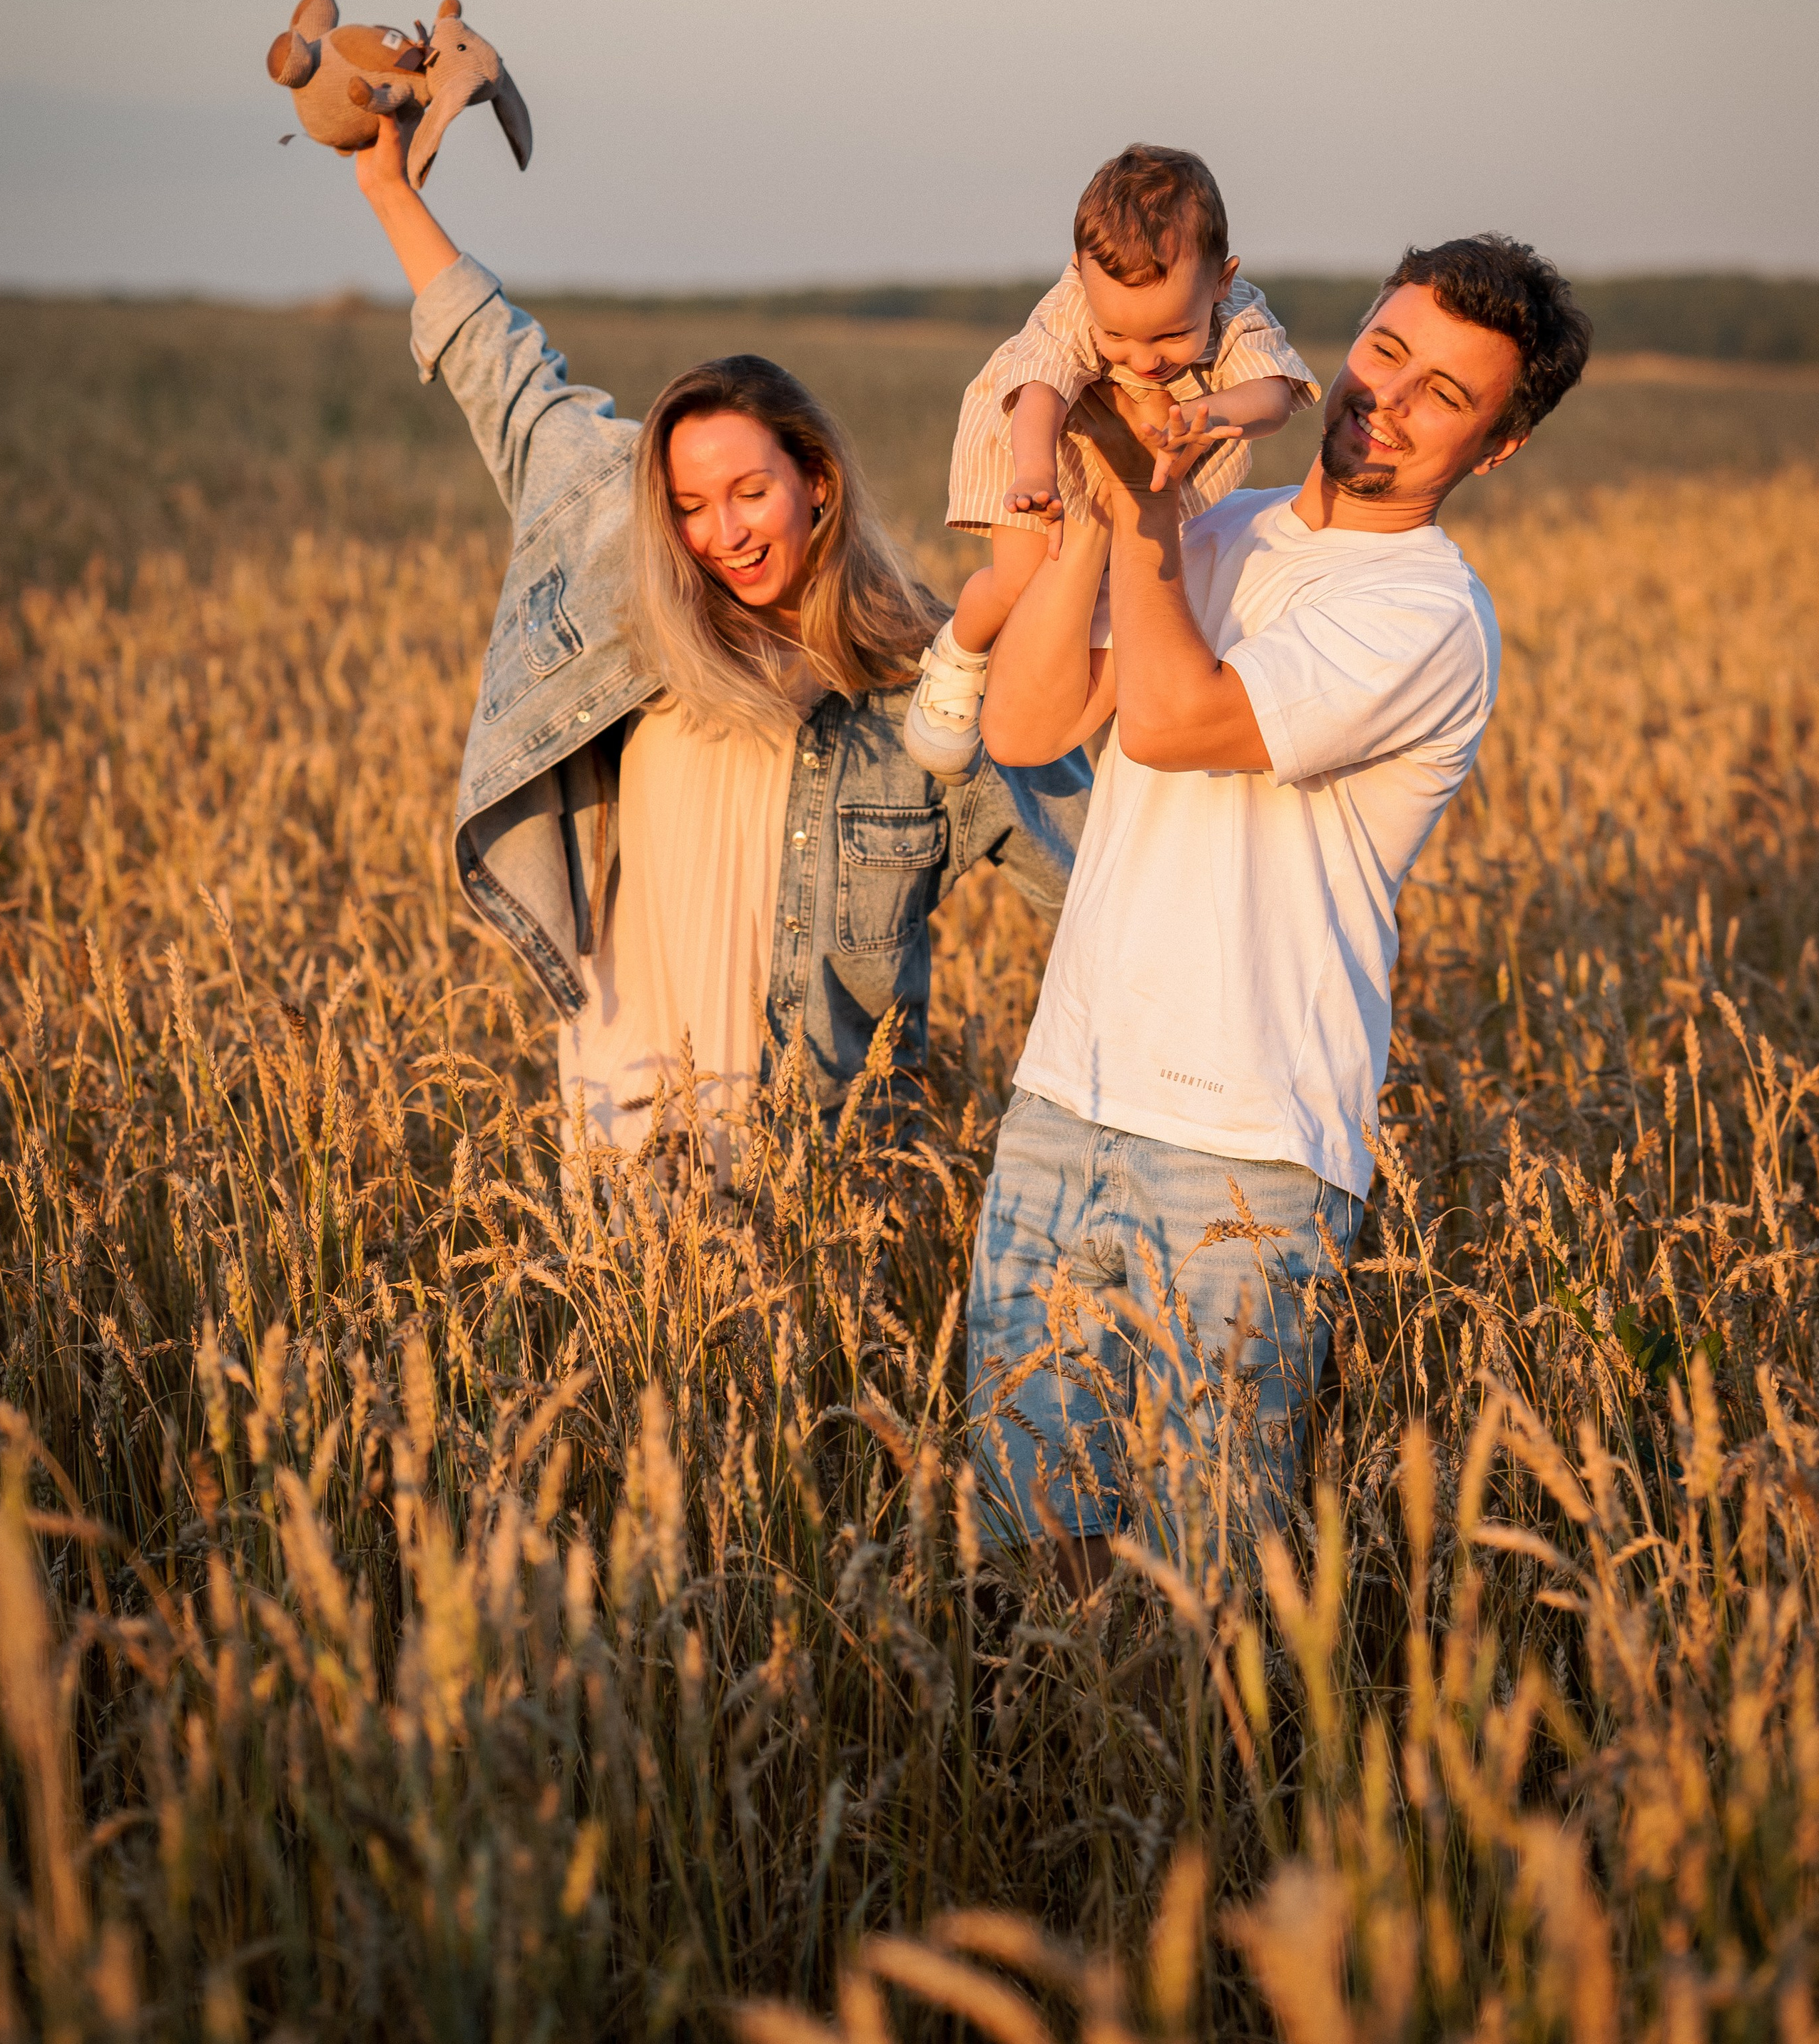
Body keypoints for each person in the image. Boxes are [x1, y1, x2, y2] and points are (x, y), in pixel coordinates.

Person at [969, 233, 1592, 1574]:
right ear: (1352, 332)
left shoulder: (1430, 614)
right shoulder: (1217, 529)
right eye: (1387, 350)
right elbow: (1025, 727)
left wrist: (1143, 503)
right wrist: (1101, 497)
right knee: (1031, 1555)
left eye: (1446, 396)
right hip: (1063, 1100)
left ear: (1495, 451)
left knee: (1204, 1585)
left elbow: (1184, 720)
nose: (1390, 398)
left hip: (1244, 1154)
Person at [350, 117, 1093, 1186]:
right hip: (625, 1122)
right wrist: (387, 186)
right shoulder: (634, 608)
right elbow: (506, 377)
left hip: (819, 1158)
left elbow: (1087, 883)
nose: (725, 531)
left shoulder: (921, 675)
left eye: (751, 492)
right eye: (692, 504)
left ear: (815, 481)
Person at [904, 144, 1320, 779]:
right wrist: (1035, 470)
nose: (1144, 359)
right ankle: (960, 650)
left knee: (1115, 598)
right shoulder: (1075, 302)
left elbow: (1274, 394)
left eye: (1172, 335)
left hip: (1154, 468)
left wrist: (1208, 411)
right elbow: (1039, 387)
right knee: (1021, 584)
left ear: (1222, 282)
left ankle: (1055, 704)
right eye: (1117, 336)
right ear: (1078, 272)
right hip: (1038, 447)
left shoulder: (1241, 316)